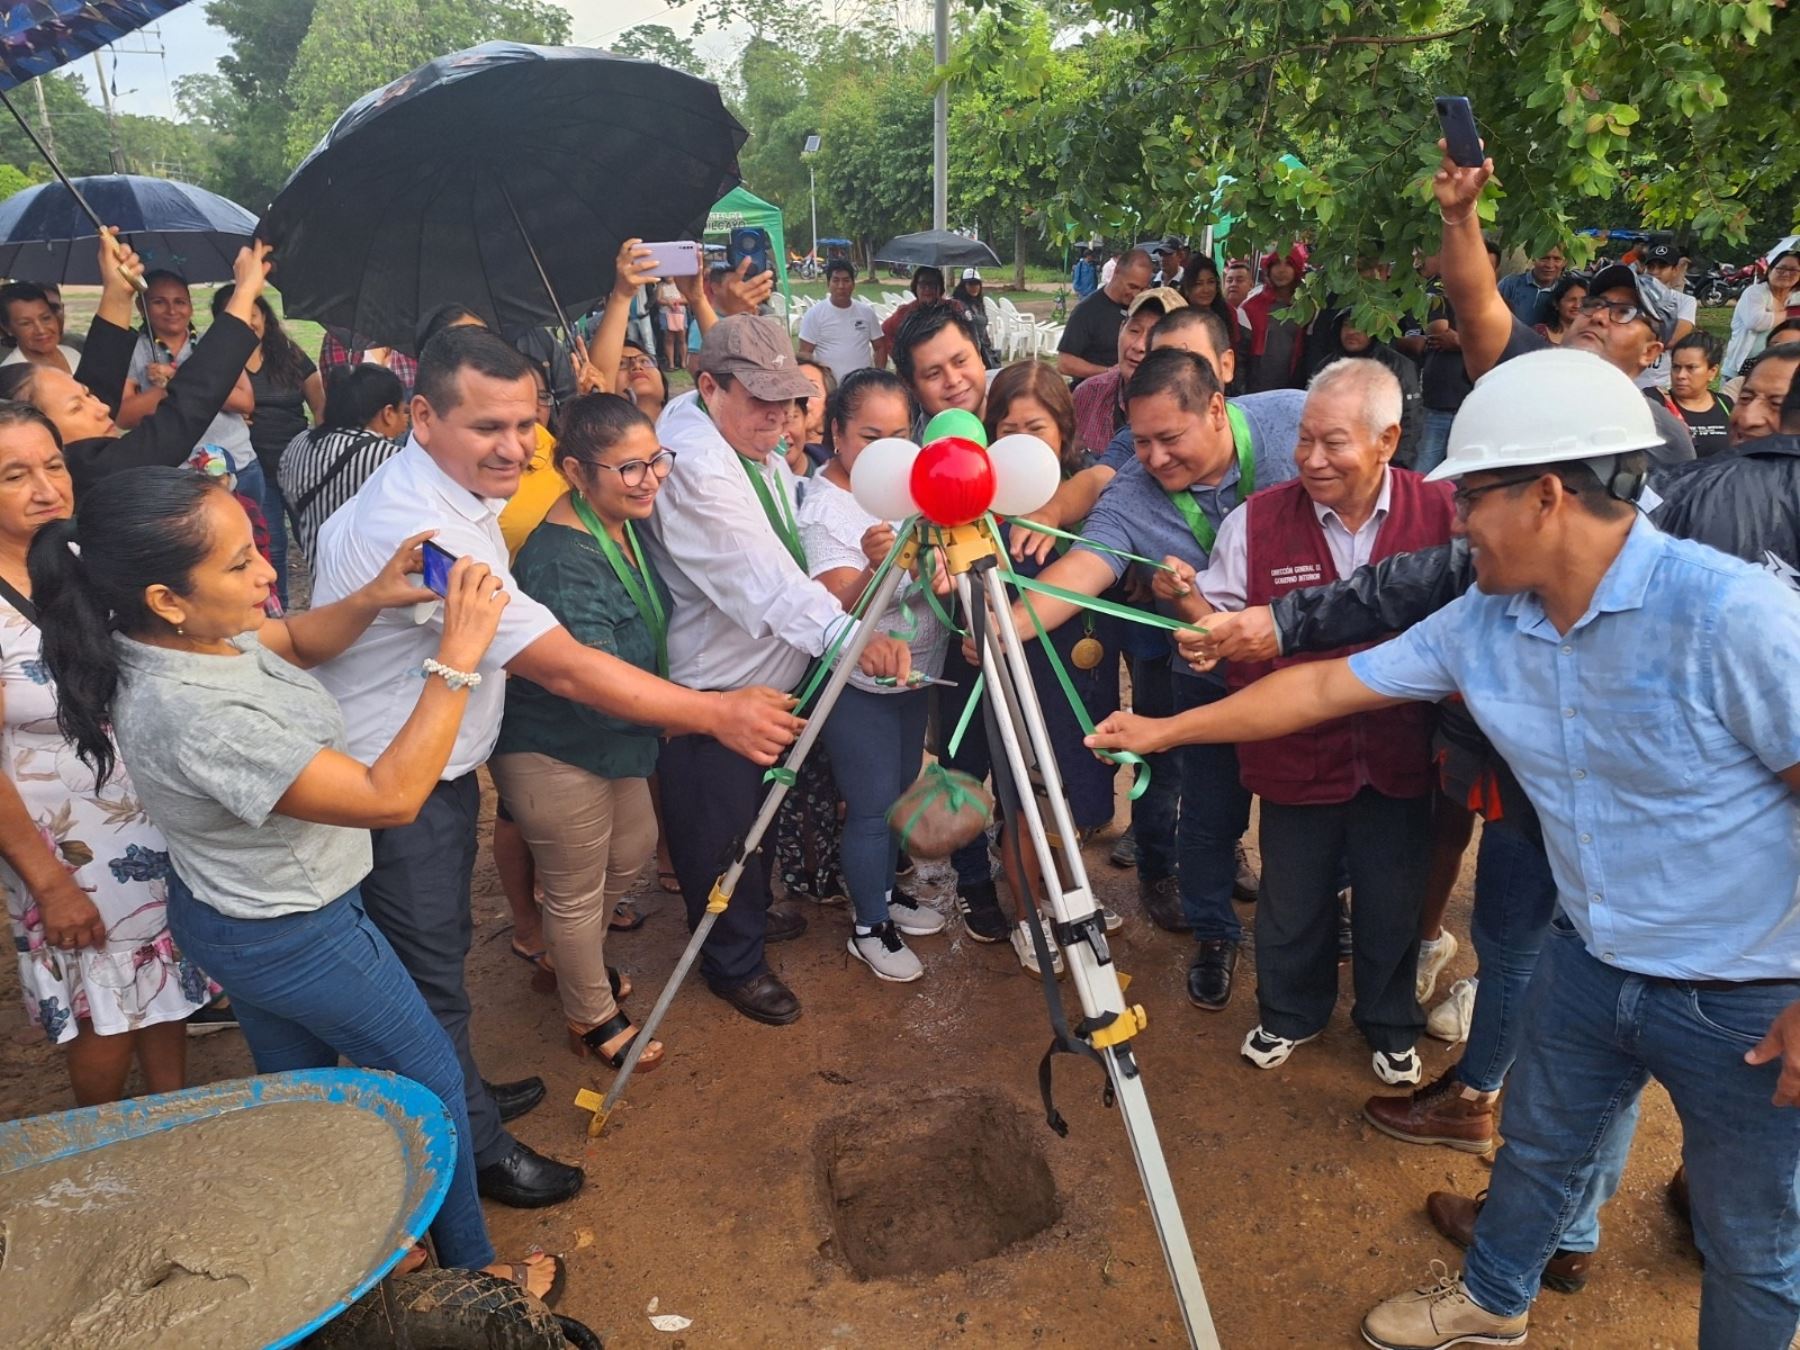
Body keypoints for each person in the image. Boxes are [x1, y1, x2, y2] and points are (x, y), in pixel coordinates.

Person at [1090, 349, 1800, 1350]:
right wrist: (1163, 736)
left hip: (1748, 993)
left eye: (1473, 497)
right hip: (1591, 958)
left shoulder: (1736, 619)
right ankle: (1494, 1300)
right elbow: (1328, 687)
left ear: (1550, 497)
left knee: (1754, 1242)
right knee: (1540, 1153)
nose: (1456, 521)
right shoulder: (1489, 618)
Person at [30, 465, 562, 1302]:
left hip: (234, 914)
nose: (267, 573)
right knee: (432, 1081)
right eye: (241, 563)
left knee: (305, 1098)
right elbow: (388, 800)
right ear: (168, 596)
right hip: (297, 934)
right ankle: (474, 1271)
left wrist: (378, 594)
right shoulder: (195, 711)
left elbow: (300, 641)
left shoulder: (182, 636)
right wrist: (459, 655)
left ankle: (357, 1244)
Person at [312, 327, 801, 1202]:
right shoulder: (424, 527)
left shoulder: (459, 498)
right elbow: (563, 662)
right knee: (428, 971)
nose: (513, 447)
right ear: (422, 416)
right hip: (395, 782)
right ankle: (471, 1154)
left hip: (441, 768)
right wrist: (714, 712)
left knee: (444, 957)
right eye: (486, 426)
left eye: (526, 424)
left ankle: (458, 1091)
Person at [1170, 358, 1453, 1083]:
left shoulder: (1442, 514)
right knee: (1293, 897)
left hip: (1402, 756)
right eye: (1303, 441)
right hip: (1295, 754)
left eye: (1334, 443)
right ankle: (1288, 1013)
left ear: (1388, 440)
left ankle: (1390, 1022)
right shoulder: (1256, 521)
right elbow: (1221, 614)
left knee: (1394, 899)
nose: (1311, 460)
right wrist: (1203, 628)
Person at [999, 348, 1301, 1006]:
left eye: (1171, 438)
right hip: (1205, 670)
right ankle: (1215, 935)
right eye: (1141, 441)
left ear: (1217, 409)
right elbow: (1083, 571)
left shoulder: (1295, 425)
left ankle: (1309, 939)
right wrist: (1003, 623)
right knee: (1208, 811)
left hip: (1304, 668)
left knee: (1303, 815)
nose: (1156, 458)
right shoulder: (1134, 488)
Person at [646, 316, 909, 1024]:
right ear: (709, 387)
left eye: (789, 400)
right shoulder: (699, 468)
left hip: (765, 672)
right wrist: (851, 636)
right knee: (720, 826)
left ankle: (750, 916)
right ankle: (732, 961)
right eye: (761, 399)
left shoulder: (740, 437)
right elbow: (766, 581)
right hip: (717, 684)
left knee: (756, 818)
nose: (781, 418)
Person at [0, 405, 211, 1106]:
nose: (45, 488)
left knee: (163, 978)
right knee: (102, 1011)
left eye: (54, 465)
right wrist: (50, 884)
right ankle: (105, 1146)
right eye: (15, 474)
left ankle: (170, 1114)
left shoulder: (95, 564)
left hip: (150, 822)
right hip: (66, 851)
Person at [490, 394, 671, 1071]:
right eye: (629, 467)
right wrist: (686, 710)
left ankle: (574, 964)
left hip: (611, 738)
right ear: (575, 470)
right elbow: (590, 684)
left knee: (633, 850)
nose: (649, 478)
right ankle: (589, 1015)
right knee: (573, 884)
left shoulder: (621, 523)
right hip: (553, 745)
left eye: (656, 460)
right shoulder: (560, 559)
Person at [797, 368, 950, 981]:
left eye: (898, 435)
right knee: (868, 803)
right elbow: (833, 610)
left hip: (920, 671)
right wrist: (870, 566)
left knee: (897, 789)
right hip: (858, 683)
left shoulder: (910, 491)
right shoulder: (823, 510)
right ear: (835, 433)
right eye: (868, 435)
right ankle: (868, 926)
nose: (886, 451)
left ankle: (886, 894)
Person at [1432, 145, 1694, 465]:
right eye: (1595, 303)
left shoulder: (1662, 436)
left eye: (1624, 312)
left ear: (1651, 352)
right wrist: (1459, 215)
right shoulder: (1525, 366)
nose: (1599, 315)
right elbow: (1476, 301)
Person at [214, 286, 323, 608]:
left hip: (298, 464)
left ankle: (327, 603)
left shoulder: (288, 353)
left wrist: (317, 447)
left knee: (315, 538)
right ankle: (280, 609)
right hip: (255, 469)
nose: (247, 321)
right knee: (272, 542)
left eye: (253, 313)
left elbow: (319, 404)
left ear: (265, 316)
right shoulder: (218, 361)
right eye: (236, 313)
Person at [118, 272, 256, 469]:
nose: (172, 310)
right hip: (177, 469)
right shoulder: (133, 351)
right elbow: (124, 417)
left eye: (180, 302)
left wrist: (177, 378)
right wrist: (165, 391)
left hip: (238, 460)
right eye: (159, 302)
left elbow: (245, 402)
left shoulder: (213, 343)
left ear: (190, 306)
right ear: (141, 306)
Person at [278, 364, 410, 563]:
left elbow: (289, 492)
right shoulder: (388, 458)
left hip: (320, 578)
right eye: (404, 412)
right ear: (388, 413)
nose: (406, 422)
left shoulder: (298, 443)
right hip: (368, 581)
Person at [1415, 238, 1503, 474]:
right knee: (1425, 474)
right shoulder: (1438, 293)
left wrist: (1460, 341)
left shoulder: (1502, 305)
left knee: (1464, 478)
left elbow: (1504, 345)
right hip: (1440, 402)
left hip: (1478, 408)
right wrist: (1481, 341)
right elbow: (1439, 331)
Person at [1071, 286, 1187, 458]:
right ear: (1120, 329)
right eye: (1134, 330)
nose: (1139, 346)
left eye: (1154, 336)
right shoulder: (1087, 395)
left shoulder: (1191, 407)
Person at [1310, 310, 1424, 467]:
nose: (1351, 332)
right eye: (1346, 325)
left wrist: (1398, 465)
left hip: (1382, 460)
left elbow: (1410, 419)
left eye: (1360, 326)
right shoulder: (1327, 366)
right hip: (1334, 458)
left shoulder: (1399, 367)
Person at [1058, 248, 1155, 382]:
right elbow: (1065, 363)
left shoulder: (1144, 308)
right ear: (1116, 273)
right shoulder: (1087, 310)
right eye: (1132, 286)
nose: (1136, 294)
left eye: (1142, 288)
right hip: (1093, 393)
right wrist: (1109, 372)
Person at [892, 300, 991, 428]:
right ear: (912, 388)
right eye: (934, 374)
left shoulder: (1019, 402)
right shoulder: (917, 447)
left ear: (980, 357)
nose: (953, 380)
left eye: (960, 361)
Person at [798, 259, 886, 382]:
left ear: (853, 284)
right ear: (828, 284)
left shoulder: (866, 313)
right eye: (836, 280)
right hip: (830, 387)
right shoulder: (814, 314)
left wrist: (879, 375)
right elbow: (805, 355)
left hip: (860, 386)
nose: (841, 286)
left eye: (846, 281)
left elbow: (880, 347)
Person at [1238, 244, 1310, 392]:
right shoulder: (1250, 308)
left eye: (1288, 263)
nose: (1281, 270)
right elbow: (1240, 358)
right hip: (1255, 392)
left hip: (1295, 390)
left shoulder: (1309, 307)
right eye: (1276, 263)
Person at [1725, 248, 1800, 379]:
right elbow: (1755, 322)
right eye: (1781, 268)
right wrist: (1792, 313)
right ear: (1770, 270)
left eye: (1793, 270)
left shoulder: (1796, 298)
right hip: (1744, 365)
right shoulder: (1755, 292)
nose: (1786, 274)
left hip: (1781, 365)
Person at [1635, 240, 1698, 388]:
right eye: (1651, 267)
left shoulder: (1685, 301)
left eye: (1662, 267)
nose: (1655, 272)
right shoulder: (1633, 297)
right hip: (1630, 380)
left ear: (1675, 270)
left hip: (1661, 383)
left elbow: (1674, 340)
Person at [1660, 330, 1734, 454]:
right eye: (1676, 367)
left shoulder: (1725, 404)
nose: (1681, 375)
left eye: (1691, 368)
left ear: (1712, 371)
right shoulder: (1657, 402)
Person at [0, 283, 81, 373]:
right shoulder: (10, 376)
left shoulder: (72, 354)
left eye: (46, 318)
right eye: (26, 323)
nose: (41, 330)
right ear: (7, 328)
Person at [880, 266, 950, 351]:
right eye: (923, 284)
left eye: (932, 284)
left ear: (940, 287)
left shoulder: (952, 309)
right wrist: (898, 354)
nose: (927, 289)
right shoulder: (905, 312)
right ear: (915, 287)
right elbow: (885, 331)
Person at [1495, 243, 1566, 324]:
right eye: (1544, 258)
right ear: (1533, 259)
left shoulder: (1565, 292)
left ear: (1564, 262)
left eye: (1557, 259)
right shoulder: (1510, 284)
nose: (1550, 265)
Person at [952, 268, 1000, 368]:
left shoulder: (978, 303)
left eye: (977, 284)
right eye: (970, 284)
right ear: (963, 286)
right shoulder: (958, 305)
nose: (974, 287)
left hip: (984, 348)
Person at [1533, 273, 1588, 345]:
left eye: (1583, 301)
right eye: (1571, 299)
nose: (1577, 305)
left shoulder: (1590, 339)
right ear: (1555, 303)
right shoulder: (1538, 333)